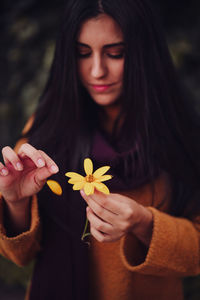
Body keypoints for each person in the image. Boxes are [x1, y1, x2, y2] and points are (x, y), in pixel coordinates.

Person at [0, 0, 200, 299]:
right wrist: (14, 203)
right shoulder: (46, 129)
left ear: (145, 53)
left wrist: (145, 223)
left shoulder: (177, 132)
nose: (97, 71)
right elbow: (19, 255)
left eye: (116, 53)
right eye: (82, 53)